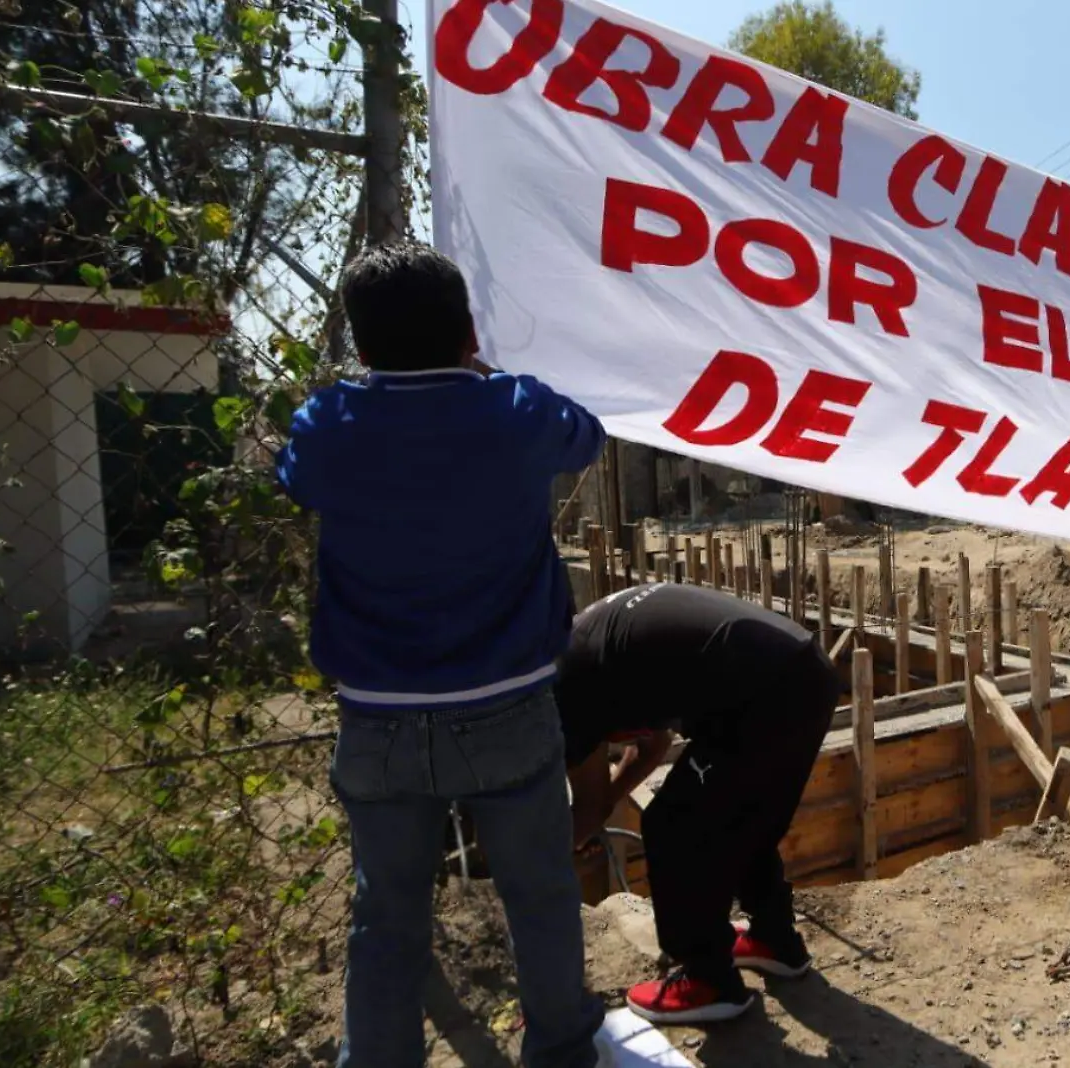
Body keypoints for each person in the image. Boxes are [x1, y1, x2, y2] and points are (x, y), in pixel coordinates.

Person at [277, 242, 607, 1067]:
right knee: (539, 895)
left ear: (358, 346)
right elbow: (588, 438)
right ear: (469, 331)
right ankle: (561, 1047)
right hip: (509, 705)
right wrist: (490, 378)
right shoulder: (519, 411)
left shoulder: (329, 424)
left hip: (378, 719)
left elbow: (295, 478)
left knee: (385, 913)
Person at [555, 583, 840, 1025]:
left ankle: (708, 978)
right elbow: (652, 747)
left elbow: (590, 809)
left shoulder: (567, 687)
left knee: (671, 825)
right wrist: (600, 807)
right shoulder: (598, 643)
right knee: (746, 816)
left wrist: (554, 848)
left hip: (763, 695)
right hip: (805, 672)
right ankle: (775, 941)